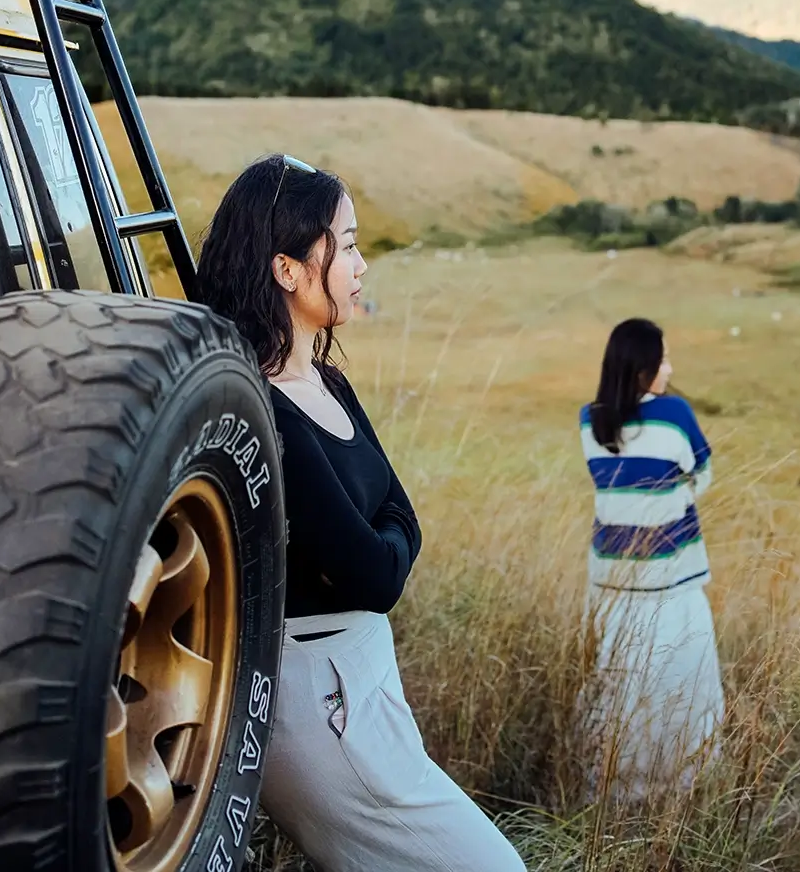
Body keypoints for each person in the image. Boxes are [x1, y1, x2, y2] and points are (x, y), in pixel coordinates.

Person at [197, 154, 526, 872]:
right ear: (288, 269)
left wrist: (385, 542)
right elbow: (376, 575)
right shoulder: (266, 412)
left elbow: (402, 518)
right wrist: (387, 542)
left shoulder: (328, 384)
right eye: (345, 246)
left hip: (361, 684)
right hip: (320, 699)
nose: (361, 264)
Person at [579, 317, 724, 801]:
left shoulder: (589, 420)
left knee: (621, 684)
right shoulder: (674, 413)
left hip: (612, 579)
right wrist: (675, 495)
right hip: (669, 577)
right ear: (643, 366)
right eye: (663, 359)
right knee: (682, 679)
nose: (669, 368)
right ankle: (681, 783)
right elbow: (703, 471)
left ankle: (618, 785)